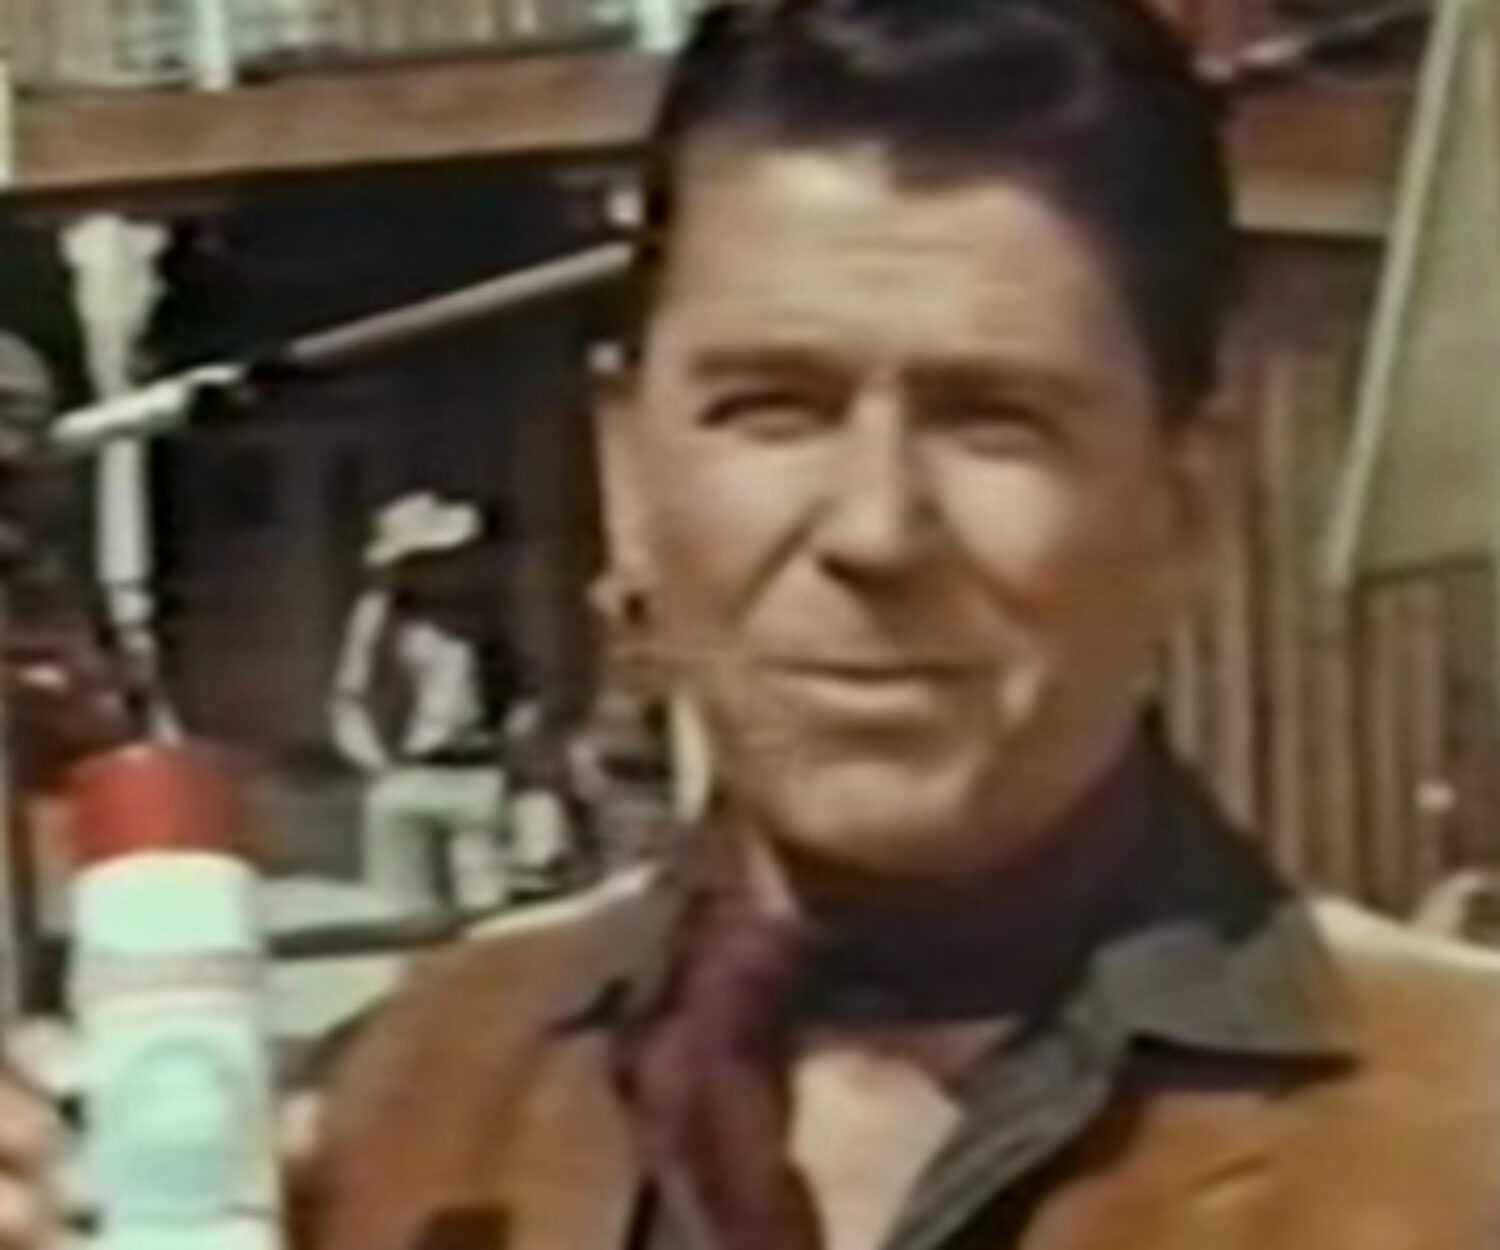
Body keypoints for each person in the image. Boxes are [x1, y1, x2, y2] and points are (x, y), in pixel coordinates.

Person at [2, 2, 1499, 1248]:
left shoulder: (1451, 1131)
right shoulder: (421, 1104)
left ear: (1182, 499)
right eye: (773, 408)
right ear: (628, 473)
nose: (874, 530)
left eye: (994, 418)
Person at [328, 492, 516, 914]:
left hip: (476, 772)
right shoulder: (382, 617)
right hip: (410, 771)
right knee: (408, 911)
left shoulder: (484, 617)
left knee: (486, 909)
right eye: (424, 562)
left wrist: (514, 753)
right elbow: (350, 696)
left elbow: (524, 686)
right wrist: (376, 763)